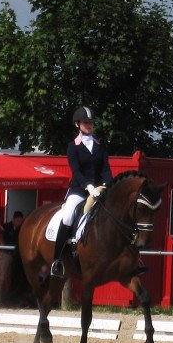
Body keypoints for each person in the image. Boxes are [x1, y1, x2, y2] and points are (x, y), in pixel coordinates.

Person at [50, 106, 113, 278]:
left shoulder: (100, 145)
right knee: (68, 215)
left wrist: (108, 183)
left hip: (99, 189)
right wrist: (88, 186)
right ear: (78, 124)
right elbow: (76, 171)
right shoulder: (73, 147)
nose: (89, 125)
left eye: (91, 122)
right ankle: (57, 260)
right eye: (86, 122)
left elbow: (106, 169)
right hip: (79, 189)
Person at [0, 210, 26, 306]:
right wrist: (2, 242)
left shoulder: (21, 228)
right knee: (2, 277)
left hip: (14, 255)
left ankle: (8, 298)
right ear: (14, 220)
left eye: (21, 221)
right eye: (18, 221)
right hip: (5, 254)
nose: (20, 222)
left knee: (11, 278)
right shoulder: (6, 226)